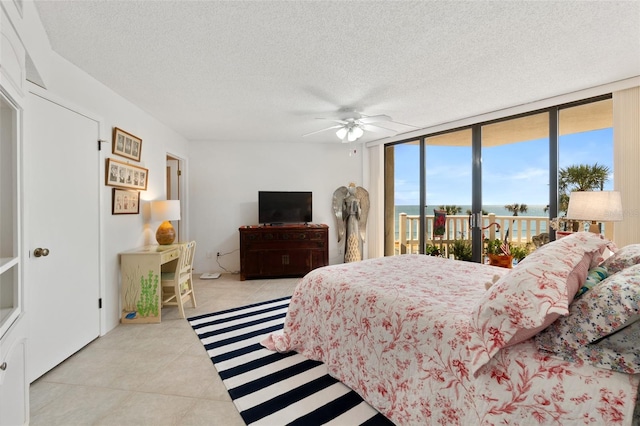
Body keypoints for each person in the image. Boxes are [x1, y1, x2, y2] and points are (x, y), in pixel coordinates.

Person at [332, 183, 369, 263]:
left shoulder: (357, 199)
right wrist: (348, 211)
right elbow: (343, 214)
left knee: (356, 236)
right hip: (349, 220)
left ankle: (356, 257)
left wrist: (357, 210)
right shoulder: (346, 199)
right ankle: (348, 258)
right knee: (349, 236)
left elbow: (360, 213)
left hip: (355, 220)